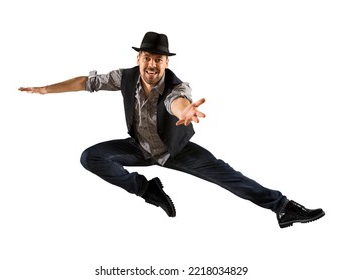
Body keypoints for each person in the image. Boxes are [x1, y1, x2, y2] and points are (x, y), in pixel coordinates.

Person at [19, 31, 325, 228]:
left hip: (175, 150)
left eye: (159, 60)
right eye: (147, 58)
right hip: (138, 148)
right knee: (91, 157)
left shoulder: (178, 87)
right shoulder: (124, 77)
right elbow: (86, 82)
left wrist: (185, 110)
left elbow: (177, 102)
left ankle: (283, 208)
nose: (152, 65)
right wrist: (45, 90)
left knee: (230, 177)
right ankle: (146, 189)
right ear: (138, 58)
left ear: (166, 62)